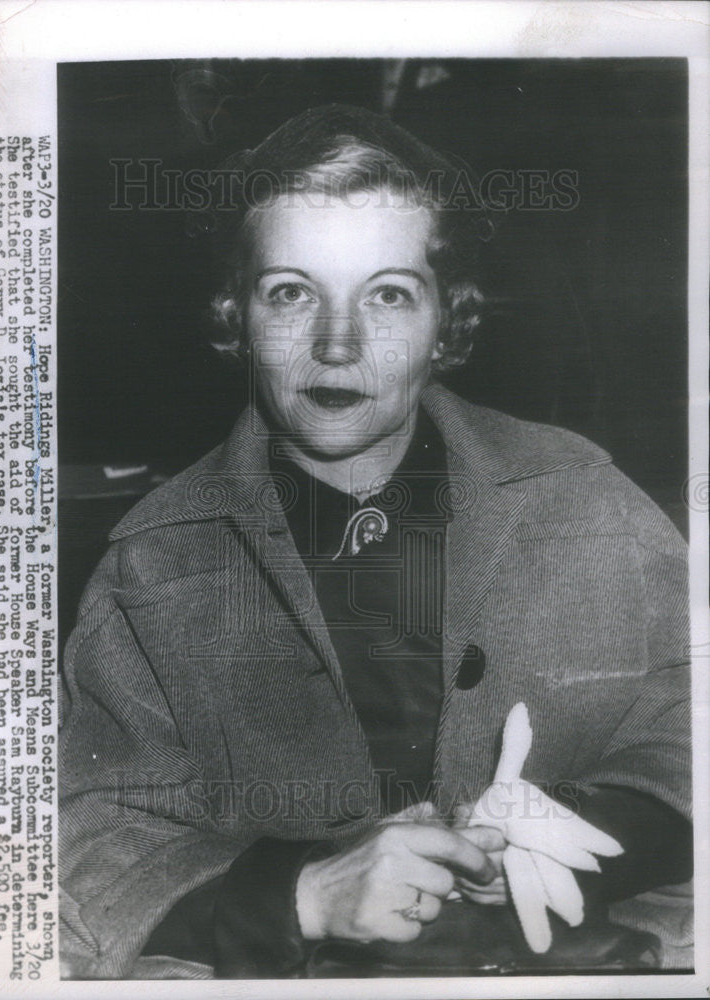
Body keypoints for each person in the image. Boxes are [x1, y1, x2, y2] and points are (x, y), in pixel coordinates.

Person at [59, 104, 692, 980]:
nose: (337, 340)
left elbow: (686, 719)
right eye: (291, 292)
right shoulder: (152, 562)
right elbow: (93, 822)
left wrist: (607, 824)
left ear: (448, 322)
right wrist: (301, 895)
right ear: (235, 316)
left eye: (388, 294)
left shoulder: (583, 499)